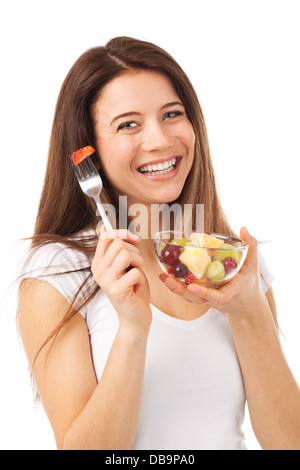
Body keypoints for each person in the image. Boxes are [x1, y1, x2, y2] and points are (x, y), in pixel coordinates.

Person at [17, 36, 300, 450]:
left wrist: (249, 309)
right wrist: (132, 329)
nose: (161, 140)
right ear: (88, 153)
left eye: (172, 114)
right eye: (128, 124)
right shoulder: (57, 273)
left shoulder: (232, 263)